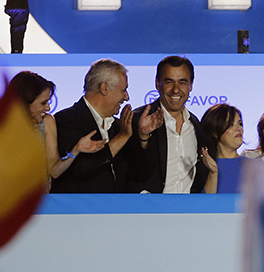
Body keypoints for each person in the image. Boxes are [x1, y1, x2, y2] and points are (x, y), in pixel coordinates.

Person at [9, 71, 105, 191]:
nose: (48, 108)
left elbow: (54, 171)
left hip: (42, 203)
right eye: (43, 103)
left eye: (48, 102)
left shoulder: (47, 122)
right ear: (24, 102)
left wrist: (76, 150)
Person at [50, 58, 135, 193]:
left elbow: (136, 172)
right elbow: (81, 169)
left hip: (117, 210)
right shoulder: (66, 120)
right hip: (80, 211)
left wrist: (144, 136)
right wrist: (122, 137)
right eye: (123, 90)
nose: (127, 97)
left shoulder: (119, 126)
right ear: (104, 88)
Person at [129, 55, 211, 193]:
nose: (176, 89)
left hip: (188, 210)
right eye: (169, 82)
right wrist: (144, 137)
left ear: (191, 86)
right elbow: (130, 170)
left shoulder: (197, 126)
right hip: (149, 209)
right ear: (157, 83)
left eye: (182, 82)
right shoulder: (137, 119)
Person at [199, 103, 246, 193]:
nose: (238, 128)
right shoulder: (204, 166)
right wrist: (213, 173)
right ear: (215, 132)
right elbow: (205, 204)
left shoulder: (252, 165)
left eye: (239, 123)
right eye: (230, 124)